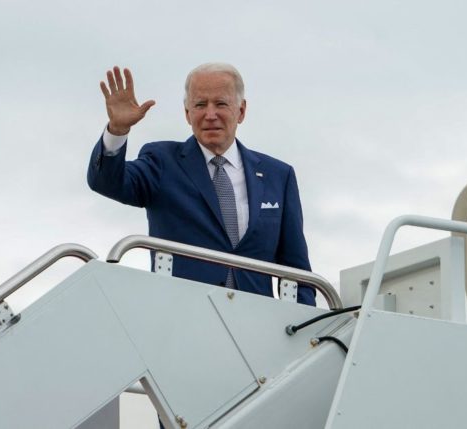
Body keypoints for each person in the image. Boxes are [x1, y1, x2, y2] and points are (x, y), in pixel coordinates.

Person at [87, 63, 316, 306]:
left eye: (220, 103)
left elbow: (296, 269)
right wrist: (118, 130)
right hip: (181, 321)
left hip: (256, 324)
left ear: (241, 110)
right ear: (187, 113)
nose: (210, 114)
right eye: (199, 105)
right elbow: (107, 182)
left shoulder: (278, 176)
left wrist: (303, 329)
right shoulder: (162, 161)